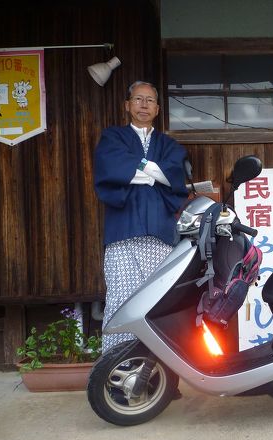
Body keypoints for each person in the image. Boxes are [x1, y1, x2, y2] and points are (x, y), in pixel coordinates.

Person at [94, 80, 188, 352]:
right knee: (121, 299)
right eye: (138, 99)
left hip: (160, 234)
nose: (144, 104)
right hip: (123, 232)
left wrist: (139, 168)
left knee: (159, 301)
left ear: (157, 108)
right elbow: (110, 168)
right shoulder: (113, 137)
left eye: (149, 100)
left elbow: (175, 176)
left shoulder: (168, 144)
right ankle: (116, 369)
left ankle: (160, 371)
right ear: (127, 105)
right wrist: (153, 176)